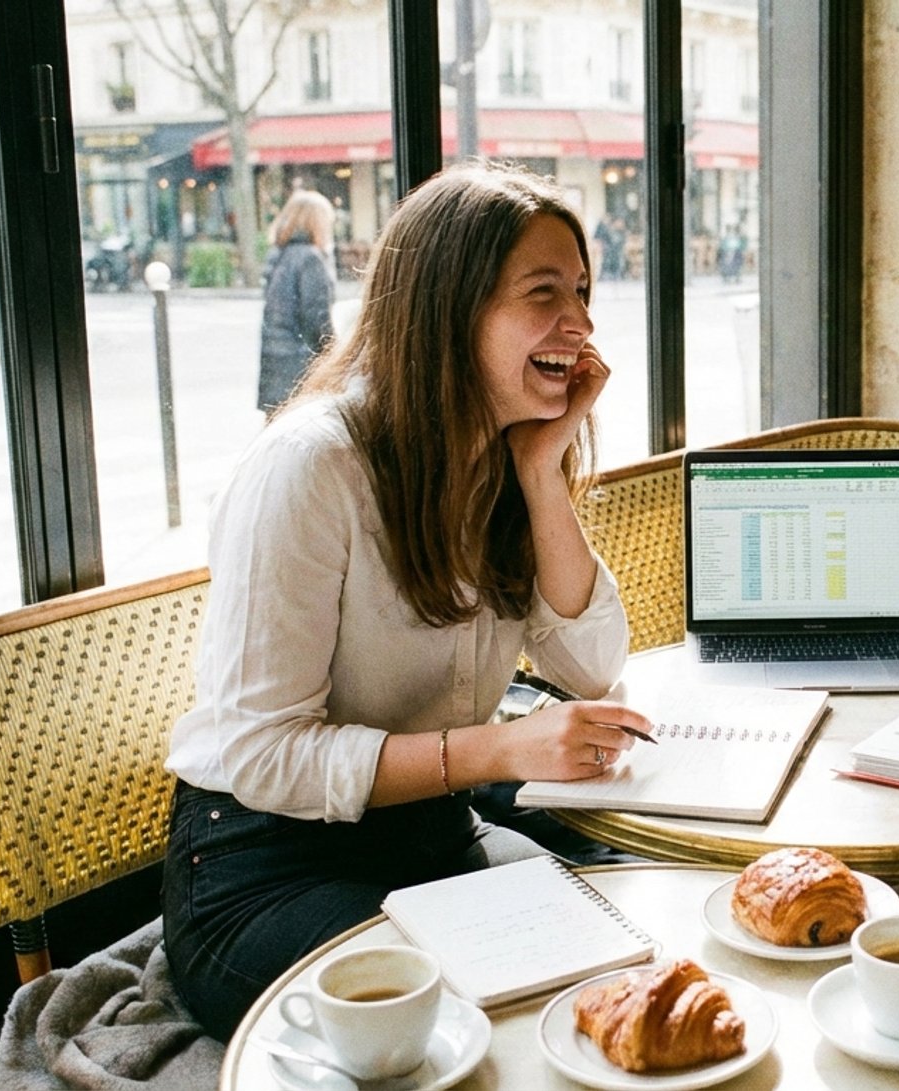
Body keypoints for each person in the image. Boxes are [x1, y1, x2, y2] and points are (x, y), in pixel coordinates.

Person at [164, 163, 651, 1039]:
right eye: (544, 295)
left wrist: (544, 477)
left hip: (430, 838)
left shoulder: (504, 455)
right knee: (464, 1028)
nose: (579, 327)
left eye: (582, 292)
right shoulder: (312, 466)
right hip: (264, 865)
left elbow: (594, 663)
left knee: (617, 964)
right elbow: (266, 756)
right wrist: (498, 747)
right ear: (446, 309)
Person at [256, 190, 337, 412]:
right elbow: (316, 318)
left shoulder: (279, 254)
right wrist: (335, 357)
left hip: (275, 361)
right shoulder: (310, 258)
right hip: (300, 365)